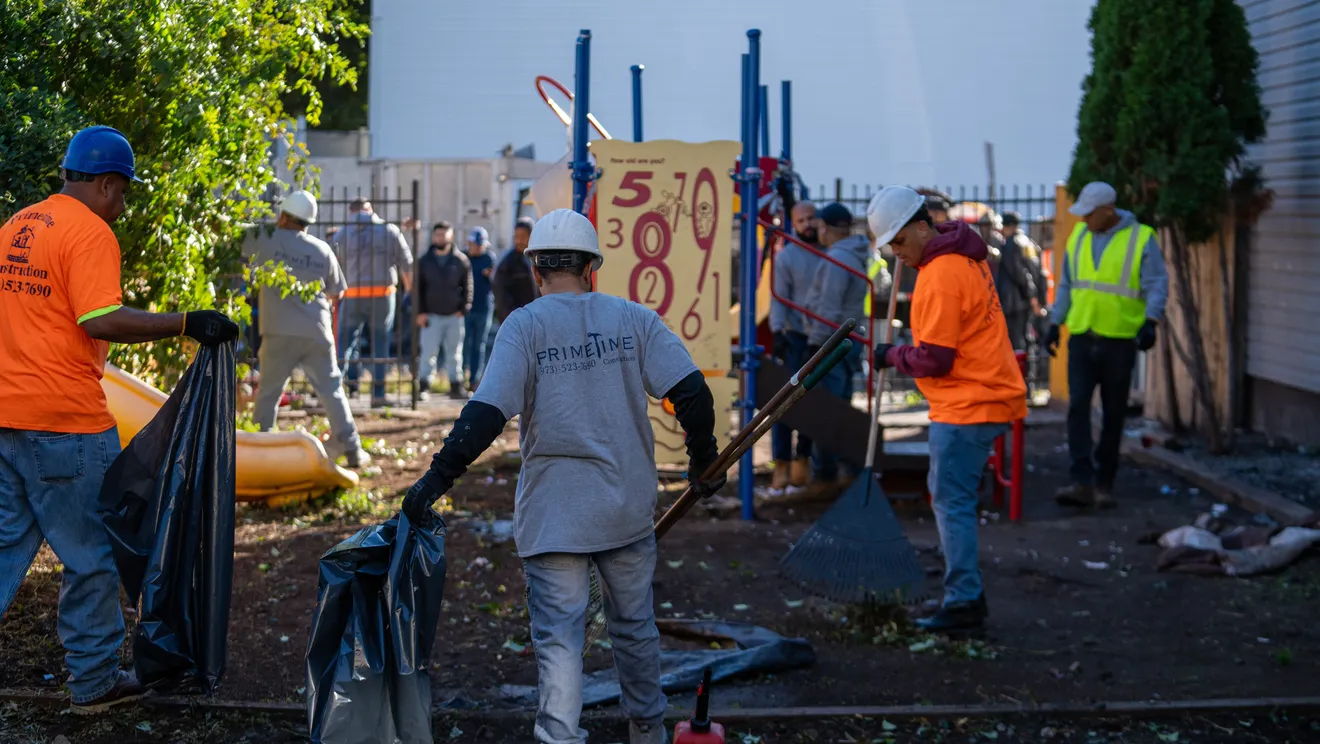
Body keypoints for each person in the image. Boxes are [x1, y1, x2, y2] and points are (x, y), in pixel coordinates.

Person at [401, 209, 723, 744]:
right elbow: (691, 391)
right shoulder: (632, 318)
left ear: (536, 269)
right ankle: (648, 730)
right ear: (591, 267)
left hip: (555, 516)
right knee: (635, 629)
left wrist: (435, 481)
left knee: (559, 640)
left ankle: (560, 738)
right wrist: (702, 458)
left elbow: (485, 414)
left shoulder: (524, 326)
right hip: (625, 511)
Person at [0, 126, 239, 714]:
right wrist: (187, 322)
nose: (123, 205)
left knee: (3, 548)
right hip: (66, 424)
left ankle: (93, 676)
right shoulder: (89, 232)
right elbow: (100, 319)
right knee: (92, 558)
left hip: (7, 417)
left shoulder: (18, 225)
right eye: (123, 193)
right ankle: (94, 682)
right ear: (106, 184)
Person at [867, 186, 1026, 634]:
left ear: (923, 226)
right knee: (951, 498)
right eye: (889, 247)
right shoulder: (964, 258)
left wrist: (889, 356)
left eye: (899, 241)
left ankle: (963, 602)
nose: (897, 253)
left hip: (969, 402)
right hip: (981, 394)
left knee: (951, 502)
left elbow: (936, 358)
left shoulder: (941, 274)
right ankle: (964, 592)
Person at [1047, 182, 1168, 509]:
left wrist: (1151, 322)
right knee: (1078, 408)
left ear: (1107, 211)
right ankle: (1081, 481)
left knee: (1114, 413)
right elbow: (1067, 285)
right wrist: (1055, 324)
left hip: (1119, 341)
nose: (1083, 220)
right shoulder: (1079, 237)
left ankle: (1104, 483)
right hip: (1083, 336)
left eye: (1088, 214)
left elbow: (1156, 283)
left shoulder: (1141, 237)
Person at [243, 191, 370, 466]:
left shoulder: (265, 237)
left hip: (279, 332)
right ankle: (352, 450)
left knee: (269, 392)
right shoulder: (321, 248)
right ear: (308, 222)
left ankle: (260, 449)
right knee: (332, 389)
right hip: (317, 331)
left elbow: (231, 238)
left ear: (284, 216)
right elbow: (338, 292)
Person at [803, 202, 872, 488]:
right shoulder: (853, 256)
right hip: (848, 339)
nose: (815, 230)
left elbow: (828, 308)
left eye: (818, 225)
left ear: (827, 228)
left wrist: (817, 342)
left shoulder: (837, 261)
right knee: (841, 403)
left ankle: (826, 472)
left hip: (833, 341)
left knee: (827, 408)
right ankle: (845, 467)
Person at [334, 197, 414, 407]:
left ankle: (334, 391)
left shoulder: (343, 233)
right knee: (380, 343)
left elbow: (334, 265)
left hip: (352, 294)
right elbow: (406, 262)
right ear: (370, 209)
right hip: (382, 294)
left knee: (345, 343)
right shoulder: (389, 230)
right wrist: (409, 292)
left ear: (351, 211)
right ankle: (378, 394)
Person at [767, 201, 820, 493]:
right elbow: (779, 296)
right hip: (797, 336)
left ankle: (803, 463)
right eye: (802, 220)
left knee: (813, 404)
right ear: (794, 223)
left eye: (812, 218)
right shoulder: (788, 257)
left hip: (822, 337)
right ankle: (782, 465)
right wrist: (778, 331)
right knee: (785, 404)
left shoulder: (827, 254)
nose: (808, 224)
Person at [415, 221, 472, 400]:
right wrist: (420, 312)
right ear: (433, 237)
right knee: (428, 353)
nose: (441, 238)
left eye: (444, 234)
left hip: (454, 315)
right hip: (431, 315)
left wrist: (464, 308)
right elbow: (417, 289)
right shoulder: (424, 261)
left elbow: (468, 286)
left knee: (454, 354)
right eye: (438, 234)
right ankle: (423, 386)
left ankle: (456, 386)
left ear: (451, 236)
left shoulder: (460, 260)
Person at [992, 211, 1038, 352]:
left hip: (1013, 301)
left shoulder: (1011, 244)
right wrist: (1032, 294)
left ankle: (1020, 372)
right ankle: (1027, 370)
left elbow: (1018, 271)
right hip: (1023, 299)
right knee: (1024, 336)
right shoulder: (1027, 242)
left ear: (1008, 227)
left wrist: (1028, 291)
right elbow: (1034, 268)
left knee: (1015, 341)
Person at [463, 226, 496, 392]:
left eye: (480, 245)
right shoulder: (462, 258)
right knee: (463, 344)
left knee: (479, 345)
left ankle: (475, 380)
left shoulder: (489, 258)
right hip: (465, 308)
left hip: (483, 307)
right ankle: (460, 377)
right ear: (469, 243)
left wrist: (490, 276)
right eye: (475, 244)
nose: (478, 248)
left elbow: (497, 283)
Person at [493, 215, 540, 323]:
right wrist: (512, 317)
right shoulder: (507, 262)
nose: (519, 240)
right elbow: (501, 294)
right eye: (516, 236)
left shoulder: (540, 259)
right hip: (517, 321)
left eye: (523, 236)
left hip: (538, 318)